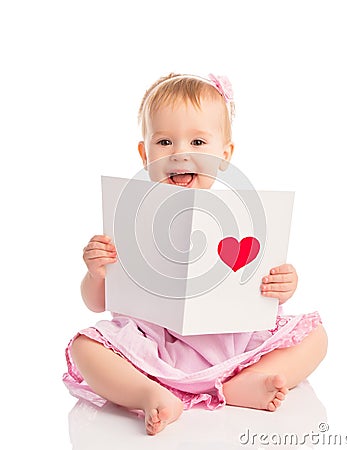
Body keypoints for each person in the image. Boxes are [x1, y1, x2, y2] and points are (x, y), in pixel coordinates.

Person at [63, 73, 328, 436]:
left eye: (198, 141)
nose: (180, 153)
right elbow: (96, 303)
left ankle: (244, 383)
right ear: (145, 152)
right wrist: (96, 272)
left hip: (232, 345)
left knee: (316, 337)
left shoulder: (244, 215)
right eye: (165, 141)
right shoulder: (130, 215)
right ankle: (148, 393)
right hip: (152, 350)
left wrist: (284, 283)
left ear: (225, 156)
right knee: (84, 347)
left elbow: (263, 288)